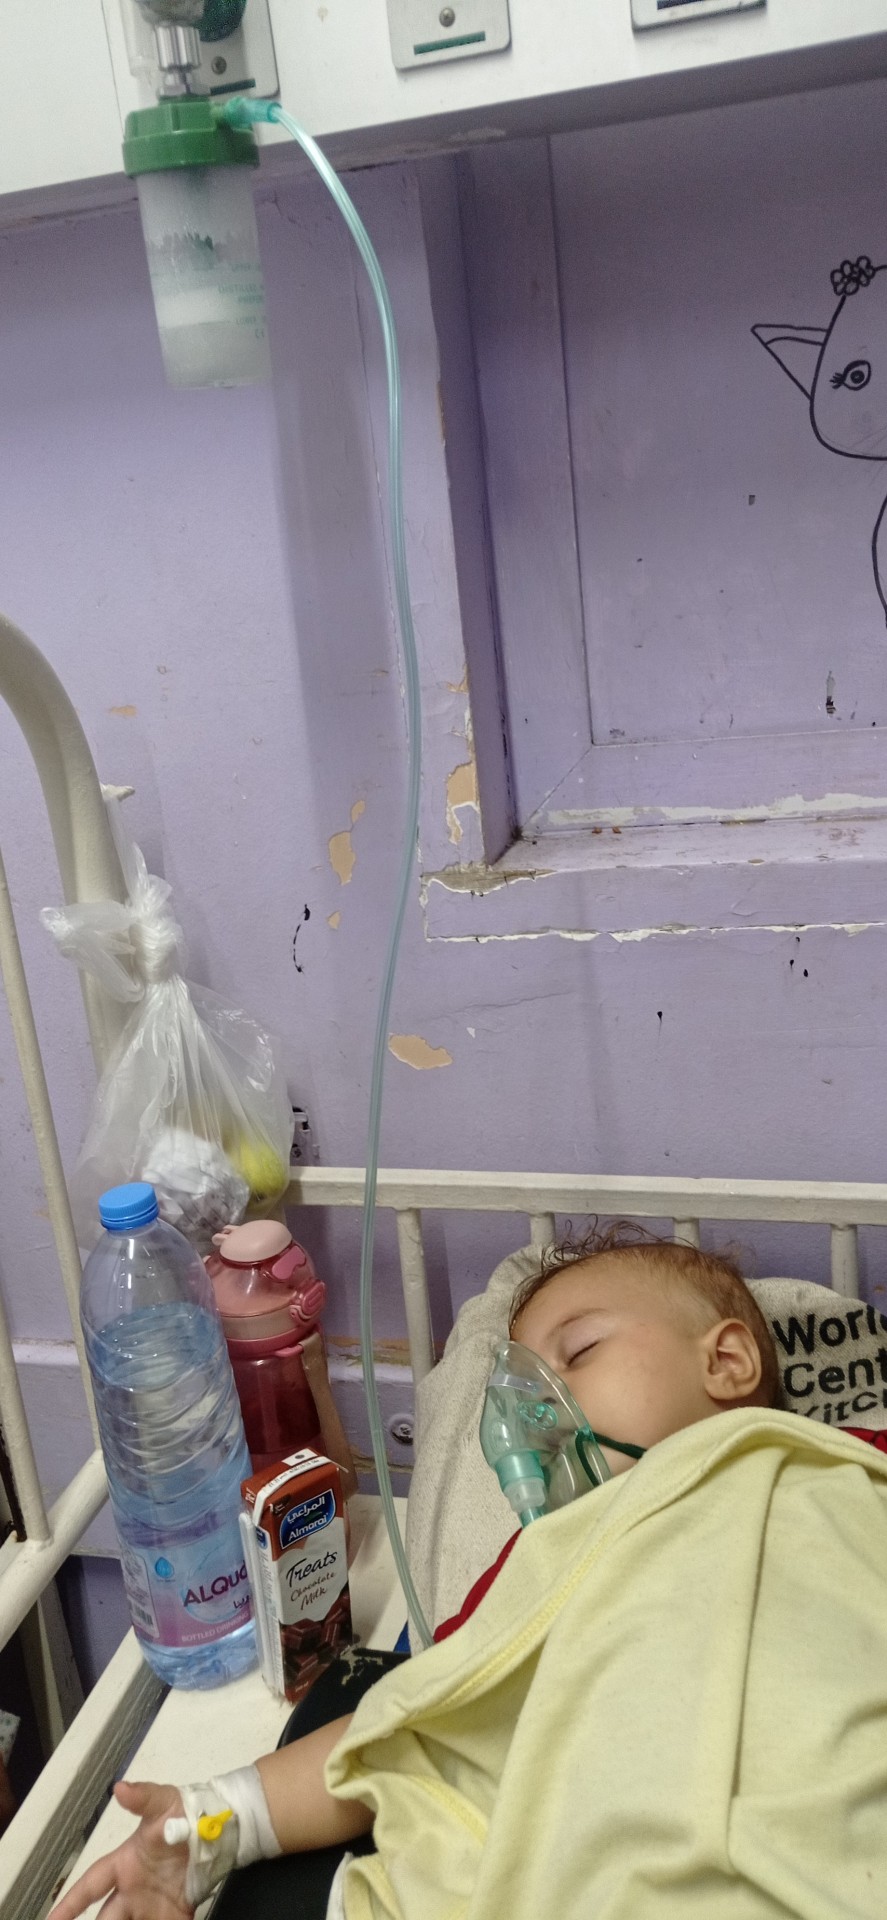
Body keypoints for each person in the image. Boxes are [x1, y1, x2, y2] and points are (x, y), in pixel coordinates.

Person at [52, 1232, 887, 1920]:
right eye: (512, 1391)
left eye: (579, 1351)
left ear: (727, 1363)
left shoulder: (836, 1468)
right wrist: (210, 1825)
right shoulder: (547, 1557)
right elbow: (413, 1720)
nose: (532, 1406)